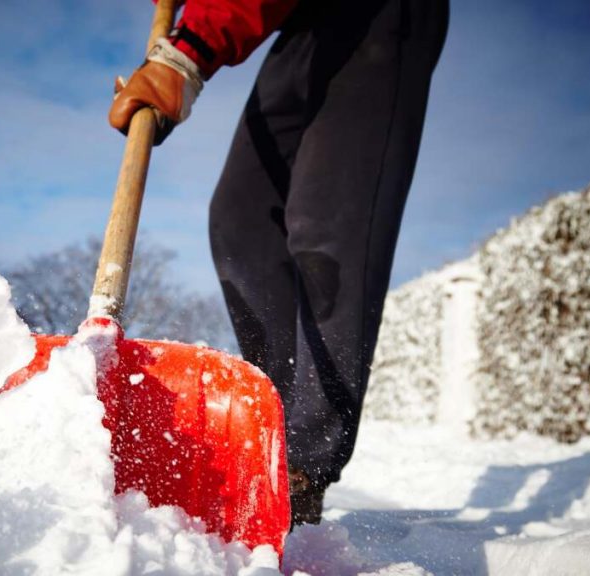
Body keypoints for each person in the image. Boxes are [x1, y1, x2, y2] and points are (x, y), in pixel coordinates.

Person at [109, 0, 448, 526]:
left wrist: (186, 52)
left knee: (326, 225)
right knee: (240, 219)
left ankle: (302, 467)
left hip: (377, 15)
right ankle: (272, 430)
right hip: (303, 23)